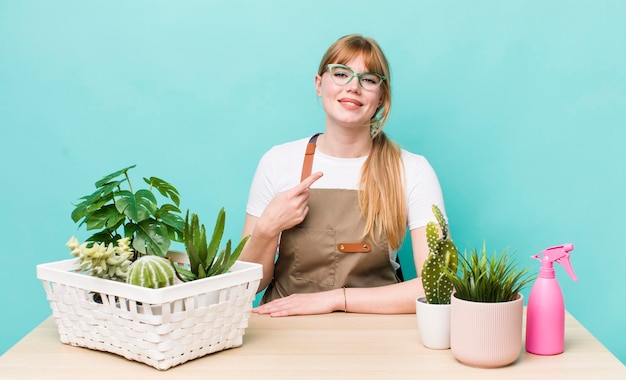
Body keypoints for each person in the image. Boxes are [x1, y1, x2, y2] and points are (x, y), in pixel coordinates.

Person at [239, 34, 446, 317]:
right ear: (318, 84)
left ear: (381, 97)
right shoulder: (278, 162)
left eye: (369, 79)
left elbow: (436, 286)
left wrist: (335, 299)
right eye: (340, 73)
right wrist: (266, 229)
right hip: (285, 329)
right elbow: (246, 288)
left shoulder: (412, 169)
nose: (353, 87)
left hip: (380, 333)